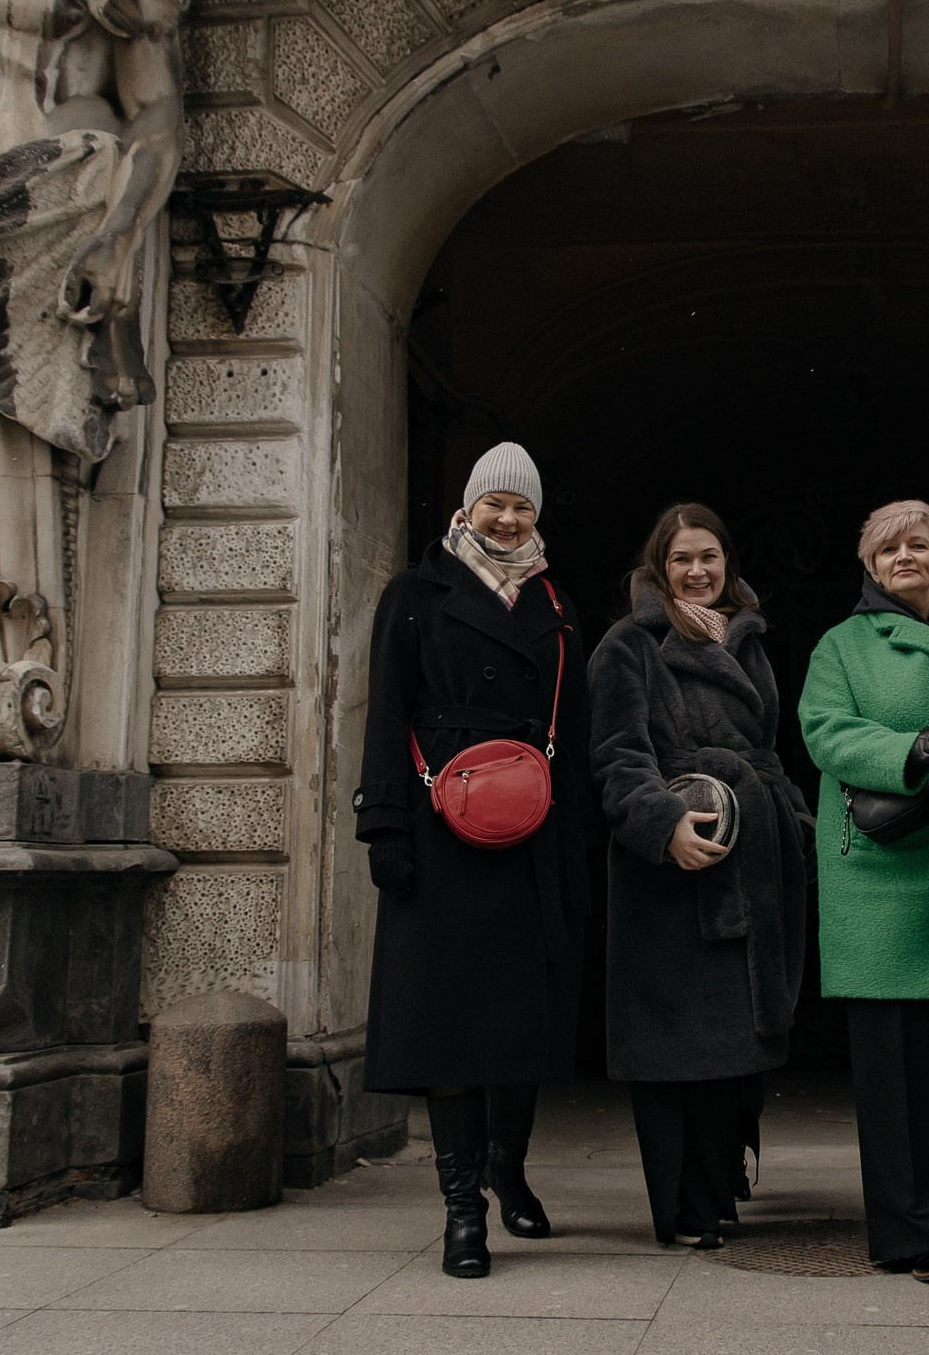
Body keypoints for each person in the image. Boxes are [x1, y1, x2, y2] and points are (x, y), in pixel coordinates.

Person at [352, 442, 599, 1279]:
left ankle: (510, 1171)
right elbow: (386, 711)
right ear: (468, 507)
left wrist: (577, 845)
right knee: (452, 1028)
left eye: (522, 507)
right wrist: (384, 825)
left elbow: (580, 733)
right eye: (494, 503)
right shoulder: (415, 594)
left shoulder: (559, 602)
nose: (508, 518)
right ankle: (463, 1210)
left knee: (519, 1021)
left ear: (537, 516)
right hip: (439, 829)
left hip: (533, 830)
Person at [591, 503, 815, 1248]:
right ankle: (683, 1208)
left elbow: (770, 751)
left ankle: (718, 1190)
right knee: (675, 1053)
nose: (697, 571)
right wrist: (664, 827)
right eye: (682, 558)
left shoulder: (749, 642)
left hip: (749, 859)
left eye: (710, 557)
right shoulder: (628, 645)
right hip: (671, 873)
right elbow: (619, 756)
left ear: (728, 565)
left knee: (737, 1049)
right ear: (660, 566)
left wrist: (799, 832)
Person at [798, 500, 929, 1284]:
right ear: (871, 565)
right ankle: (907, 1232)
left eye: (920, 545)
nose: (905, 556)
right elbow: (824, 731)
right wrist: (903, 748)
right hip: (878, 874)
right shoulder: (841, 645)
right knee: (890, 1072)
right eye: (889, 548)